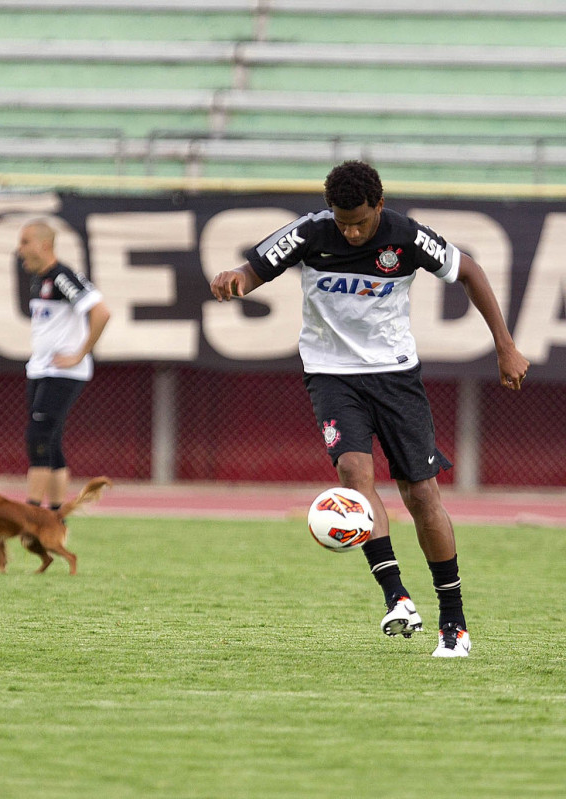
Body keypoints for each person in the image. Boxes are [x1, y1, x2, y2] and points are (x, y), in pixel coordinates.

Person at [210, 160, 529, 658]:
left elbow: (469, 271)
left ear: (379, 206)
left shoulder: (405, 236)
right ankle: (397, 596)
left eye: (360, 221)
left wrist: (505, 345)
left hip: (396, 376)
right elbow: (252, 272)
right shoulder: (310, 232)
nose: (351, 231)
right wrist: (235, 280)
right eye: (342, 222)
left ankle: (454, 622)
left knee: (421, 495)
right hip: (331, 375)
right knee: (354, 476)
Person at [17, 220, 111, 511]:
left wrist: (81, 353)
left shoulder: (61, 276)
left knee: (38, 437)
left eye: (25, 242)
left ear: (44, 245)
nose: (20, 250)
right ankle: (56, 517)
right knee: (51, 443)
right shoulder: (39, 279)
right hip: (42, 368)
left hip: (62, 372)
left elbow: (101, 311)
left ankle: (32, 515)